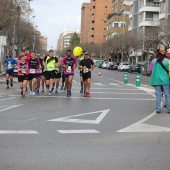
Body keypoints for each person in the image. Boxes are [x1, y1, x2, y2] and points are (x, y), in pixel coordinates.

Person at [148, 47, 170, 114]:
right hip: (165, 80)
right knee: (167, 95)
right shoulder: (168, 61)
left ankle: (158, 109)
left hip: (156, 80)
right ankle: (169, 109)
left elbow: (149, 70)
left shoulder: (154, 61)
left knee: (158, 94)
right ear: (165, 53)